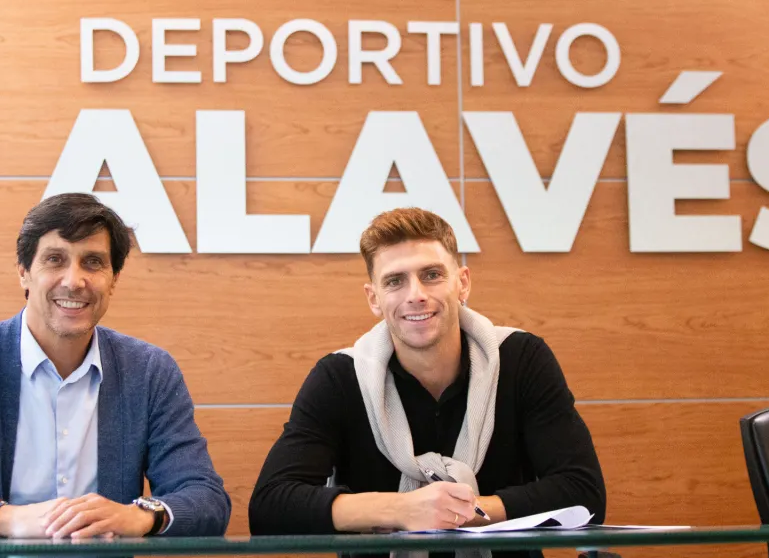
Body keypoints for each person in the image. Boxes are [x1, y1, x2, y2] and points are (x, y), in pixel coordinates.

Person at [0, 193, 231, 539]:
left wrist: (141, 516)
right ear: (23, 271)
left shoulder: (149, 372)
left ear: (114, 279)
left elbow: (207, 499)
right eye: (55, 259)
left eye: (93, 262)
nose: (74, 281)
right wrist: (3, 518)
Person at [248, 207, 605, 557]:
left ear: (462, 283)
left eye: (432, 274)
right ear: (374, 298)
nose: (415, 294)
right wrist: (402, 510)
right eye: (394, 281)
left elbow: (584, 493)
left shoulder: (521, 359)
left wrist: (461, 512)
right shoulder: (340, 377)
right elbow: (269, 508)